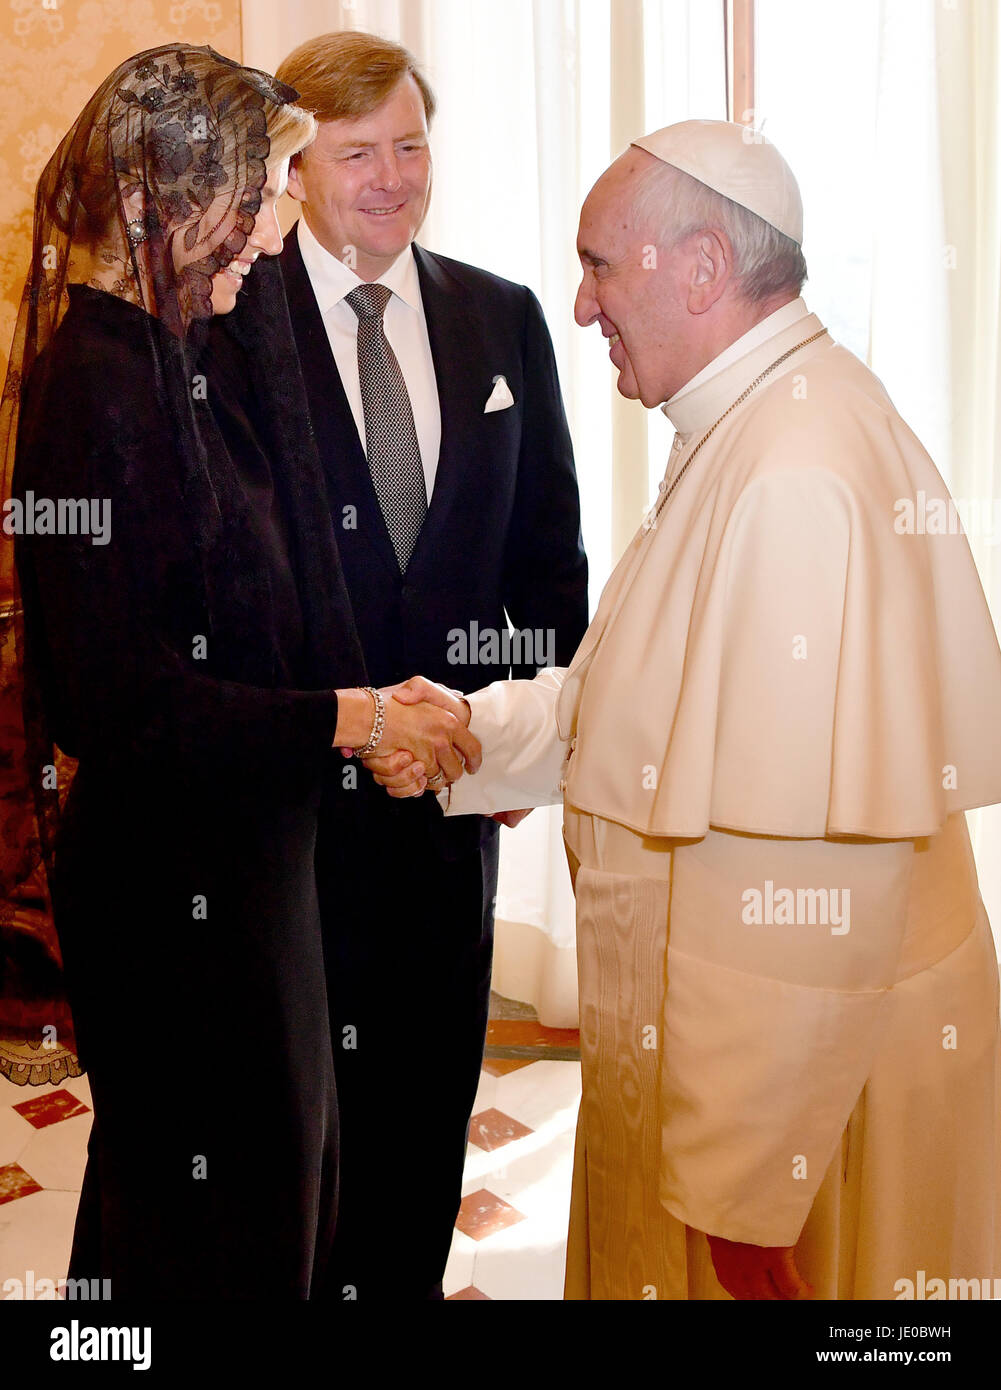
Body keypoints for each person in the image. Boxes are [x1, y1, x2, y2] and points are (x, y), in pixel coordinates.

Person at [375, 120, 1001, 1300]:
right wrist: (473, 729)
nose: (576, 305)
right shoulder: (757, 421)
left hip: (796, 1108)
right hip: (766, 1083)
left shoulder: (794, 470)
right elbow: (652, 701)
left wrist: (743, 1186)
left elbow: (805, 877)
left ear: (700, 268)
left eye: (598, 265)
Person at [0, 43, 477, 1298]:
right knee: (212, 1213)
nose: (276, 224)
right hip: (172, 889)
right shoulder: (91, 386)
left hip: (245, 860)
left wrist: (381, 707)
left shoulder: (176, 357)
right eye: (262, 190)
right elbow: (127, 703)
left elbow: (262, 611)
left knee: (224, 1198)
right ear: (173, 190)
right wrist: (351, 717)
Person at [270, 31, 589, 1300]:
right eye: (357, 153)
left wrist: (511, 730)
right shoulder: (229, 331)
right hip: (285, 823)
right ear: (293, 167)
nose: (392, 178)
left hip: (452, 810)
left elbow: (547, 562)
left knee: (416, 1120)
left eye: (411, 146)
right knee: (293, 1144)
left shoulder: (500, 316)